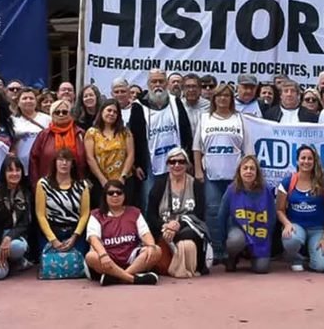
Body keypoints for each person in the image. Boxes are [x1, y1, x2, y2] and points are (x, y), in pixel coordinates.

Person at [193, 84, 249, 262]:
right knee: (213, 211)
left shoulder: (239, 118)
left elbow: (248, 149)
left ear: (231, 99)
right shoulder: (205, 118)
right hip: (211, 175)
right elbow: (197, 147)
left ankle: (232, 250)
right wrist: (198, 170)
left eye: (226, 96)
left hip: (235, 177)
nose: (223, 99)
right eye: (219, 96)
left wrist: (247, 174)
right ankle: (217, 250)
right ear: (214, 99)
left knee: (235, 212)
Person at [128, 69, 193, 214]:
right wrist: (137, 164)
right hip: (150, 165)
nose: (158, 85)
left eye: (161, 81)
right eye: (154, 81)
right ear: (148, 84)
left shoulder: (175, 102)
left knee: (177, 200)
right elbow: (135, 136)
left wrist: (188, 158)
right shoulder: (138, 106)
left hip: (176, 162)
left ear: (166, 83)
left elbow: (186, 130)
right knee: (149, 201)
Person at [147, 148, 211, 277]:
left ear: (187, 164)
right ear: (168, 164)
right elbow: (150, 215)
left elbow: (199, 214)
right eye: (173, 162)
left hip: (189, 228)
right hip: (164, 229)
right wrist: (166, 226)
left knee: (188, 236)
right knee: (163, 264)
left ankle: (190, 264)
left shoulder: (195, 185)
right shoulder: (159, 185)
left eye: (181, 161)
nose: (177, 165)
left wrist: (177, 226)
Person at [84, 179, 161, 286]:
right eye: (111, 193)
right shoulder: (96, 215)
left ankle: (118, 277)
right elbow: (93, 239)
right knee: (91, 257)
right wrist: (103, 255)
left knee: (157, 250)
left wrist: (151, 246)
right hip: (108, 257)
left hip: (131, 257)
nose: (115, 195)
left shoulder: (134, 212)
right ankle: (133, 279)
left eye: (119, 192)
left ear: (124, 195)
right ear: (105, 196)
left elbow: (145, 234)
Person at [277, 145, 324, 272]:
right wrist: (287, 224)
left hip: (318, 229)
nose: (306, 161)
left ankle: (310, 258)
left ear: (314, 161)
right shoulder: (287, 182)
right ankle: (296, 257)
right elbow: (279, 210)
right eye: (303, 158)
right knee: (290, 239)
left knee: (322, 266)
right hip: (296, 227)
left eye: (310, 158)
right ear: (297, 161)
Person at [218, 155, 275, 273]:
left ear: (257, 172)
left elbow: (272, 218)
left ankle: (252, 254)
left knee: (261, 269)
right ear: (239, 171)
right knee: (235, 241)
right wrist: (224, 242)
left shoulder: (267, 190)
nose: (248, 171)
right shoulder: (231, 190)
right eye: (245, 168)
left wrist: (266, 239)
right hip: (238, 231)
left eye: (252, 168)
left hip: (259, 234)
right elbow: (221, 216)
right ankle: (232, 257)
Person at [35, 149, 90, 265]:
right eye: (60, 160)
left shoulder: (82, 185)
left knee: (75, 264)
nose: (64, 163)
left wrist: (74, 237)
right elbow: (40, 215)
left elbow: (85, 214)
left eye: (67, 160)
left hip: (75, 232)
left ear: (72, 164)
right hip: (51, 231)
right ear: (54, 163)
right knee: (51, 264)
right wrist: (53, 240)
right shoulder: (43, 184)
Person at [0, 155, 32, 280]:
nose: (14, 174)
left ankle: (15, 260)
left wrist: (9, 237)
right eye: (10, 170)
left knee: (17, 247)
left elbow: (25, 223)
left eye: (17, 170)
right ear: (3, 173)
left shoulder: (26, 193)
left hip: (13, 238)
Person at [84, 99, 134, 203]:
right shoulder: (92, 133)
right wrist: (103, 180)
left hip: (123, 181)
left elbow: (130, 155)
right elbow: (90, 158)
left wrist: (123, 177)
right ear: (102, 111)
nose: (112, 114)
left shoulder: (125, 132)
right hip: (101, 182)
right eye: (109, 110)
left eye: (115, 112)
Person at [30, 99, 87, 188]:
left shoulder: (80, 134)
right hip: (48, 185)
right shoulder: (44, 135)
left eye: (64, 112)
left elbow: (89, 159)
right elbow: (34, 161)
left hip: (77, 185)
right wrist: (36, 186)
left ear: (71, 114)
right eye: (57, 112)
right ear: (52, 115)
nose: (61, 114)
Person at [181, 73, 210, 139]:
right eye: (188, 86)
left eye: (194, 86)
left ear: (200, 89)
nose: (191, 90)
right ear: (183, 89)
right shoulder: (177, 106)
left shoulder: (209, 106)